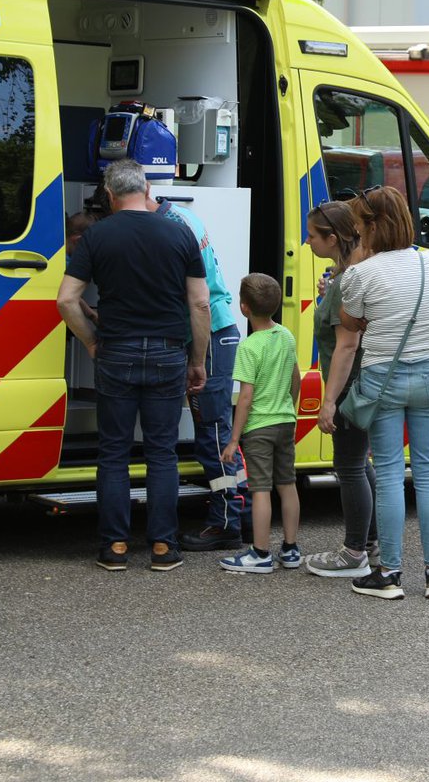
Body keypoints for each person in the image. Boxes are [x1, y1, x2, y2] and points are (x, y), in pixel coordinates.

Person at [57, 159, 208, 573]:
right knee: (162, 453)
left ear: (109, 195)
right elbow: (199, 302)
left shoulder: (97, 235)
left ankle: (115, 548)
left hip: (116, 352)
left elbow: (67, 300)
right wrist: (196, 360)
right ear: (146, 191)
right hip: (167, 353)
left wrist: (90, 341)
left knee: (113, 453)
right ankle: (163, 547)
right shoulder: (180, 233)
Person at [320, 187, 429, 602]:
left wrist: (359, 266)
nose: (357, 236)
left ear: (373, 226)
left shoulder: (359, 275)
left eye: (359, 228)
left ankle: (390, 573)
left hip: (384, 376)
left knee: (392, 473)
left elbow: (350, 328)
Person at [148, 193, 252, 552]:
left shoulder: (170, 226)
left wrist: (197, 355)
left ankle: (226, 522)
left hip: (209, 333)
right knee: (218, 428)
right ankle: (245, 512)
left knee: (212, 431)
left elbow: (198, 300)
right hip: (217, 330)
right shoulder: (181, 215)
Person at [302, 200, 380, 577]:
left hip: (348, 382)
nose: (307, 242)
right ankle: (372, 542)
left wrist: (328, 401)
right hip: (362, 381)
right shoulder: (350, 274)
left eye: (313, 235)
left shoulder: (347, 282)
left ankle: (354, 553)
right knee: (359, 463)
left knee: (348, 466)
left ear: (333, 238)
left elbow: (346, 346)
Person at [218, 273, 303, 574]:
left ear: (244, 308)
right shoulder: (287, 336)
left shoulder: (249, 347)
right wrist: (289, 409)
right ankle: (291, 549)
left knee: (261, 489)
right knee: (287, 484)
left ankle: (261, 553)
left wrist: (233, 439)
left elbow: (245, 399)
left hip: (259, 428)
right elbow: (296, 378)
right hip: (285, 421)